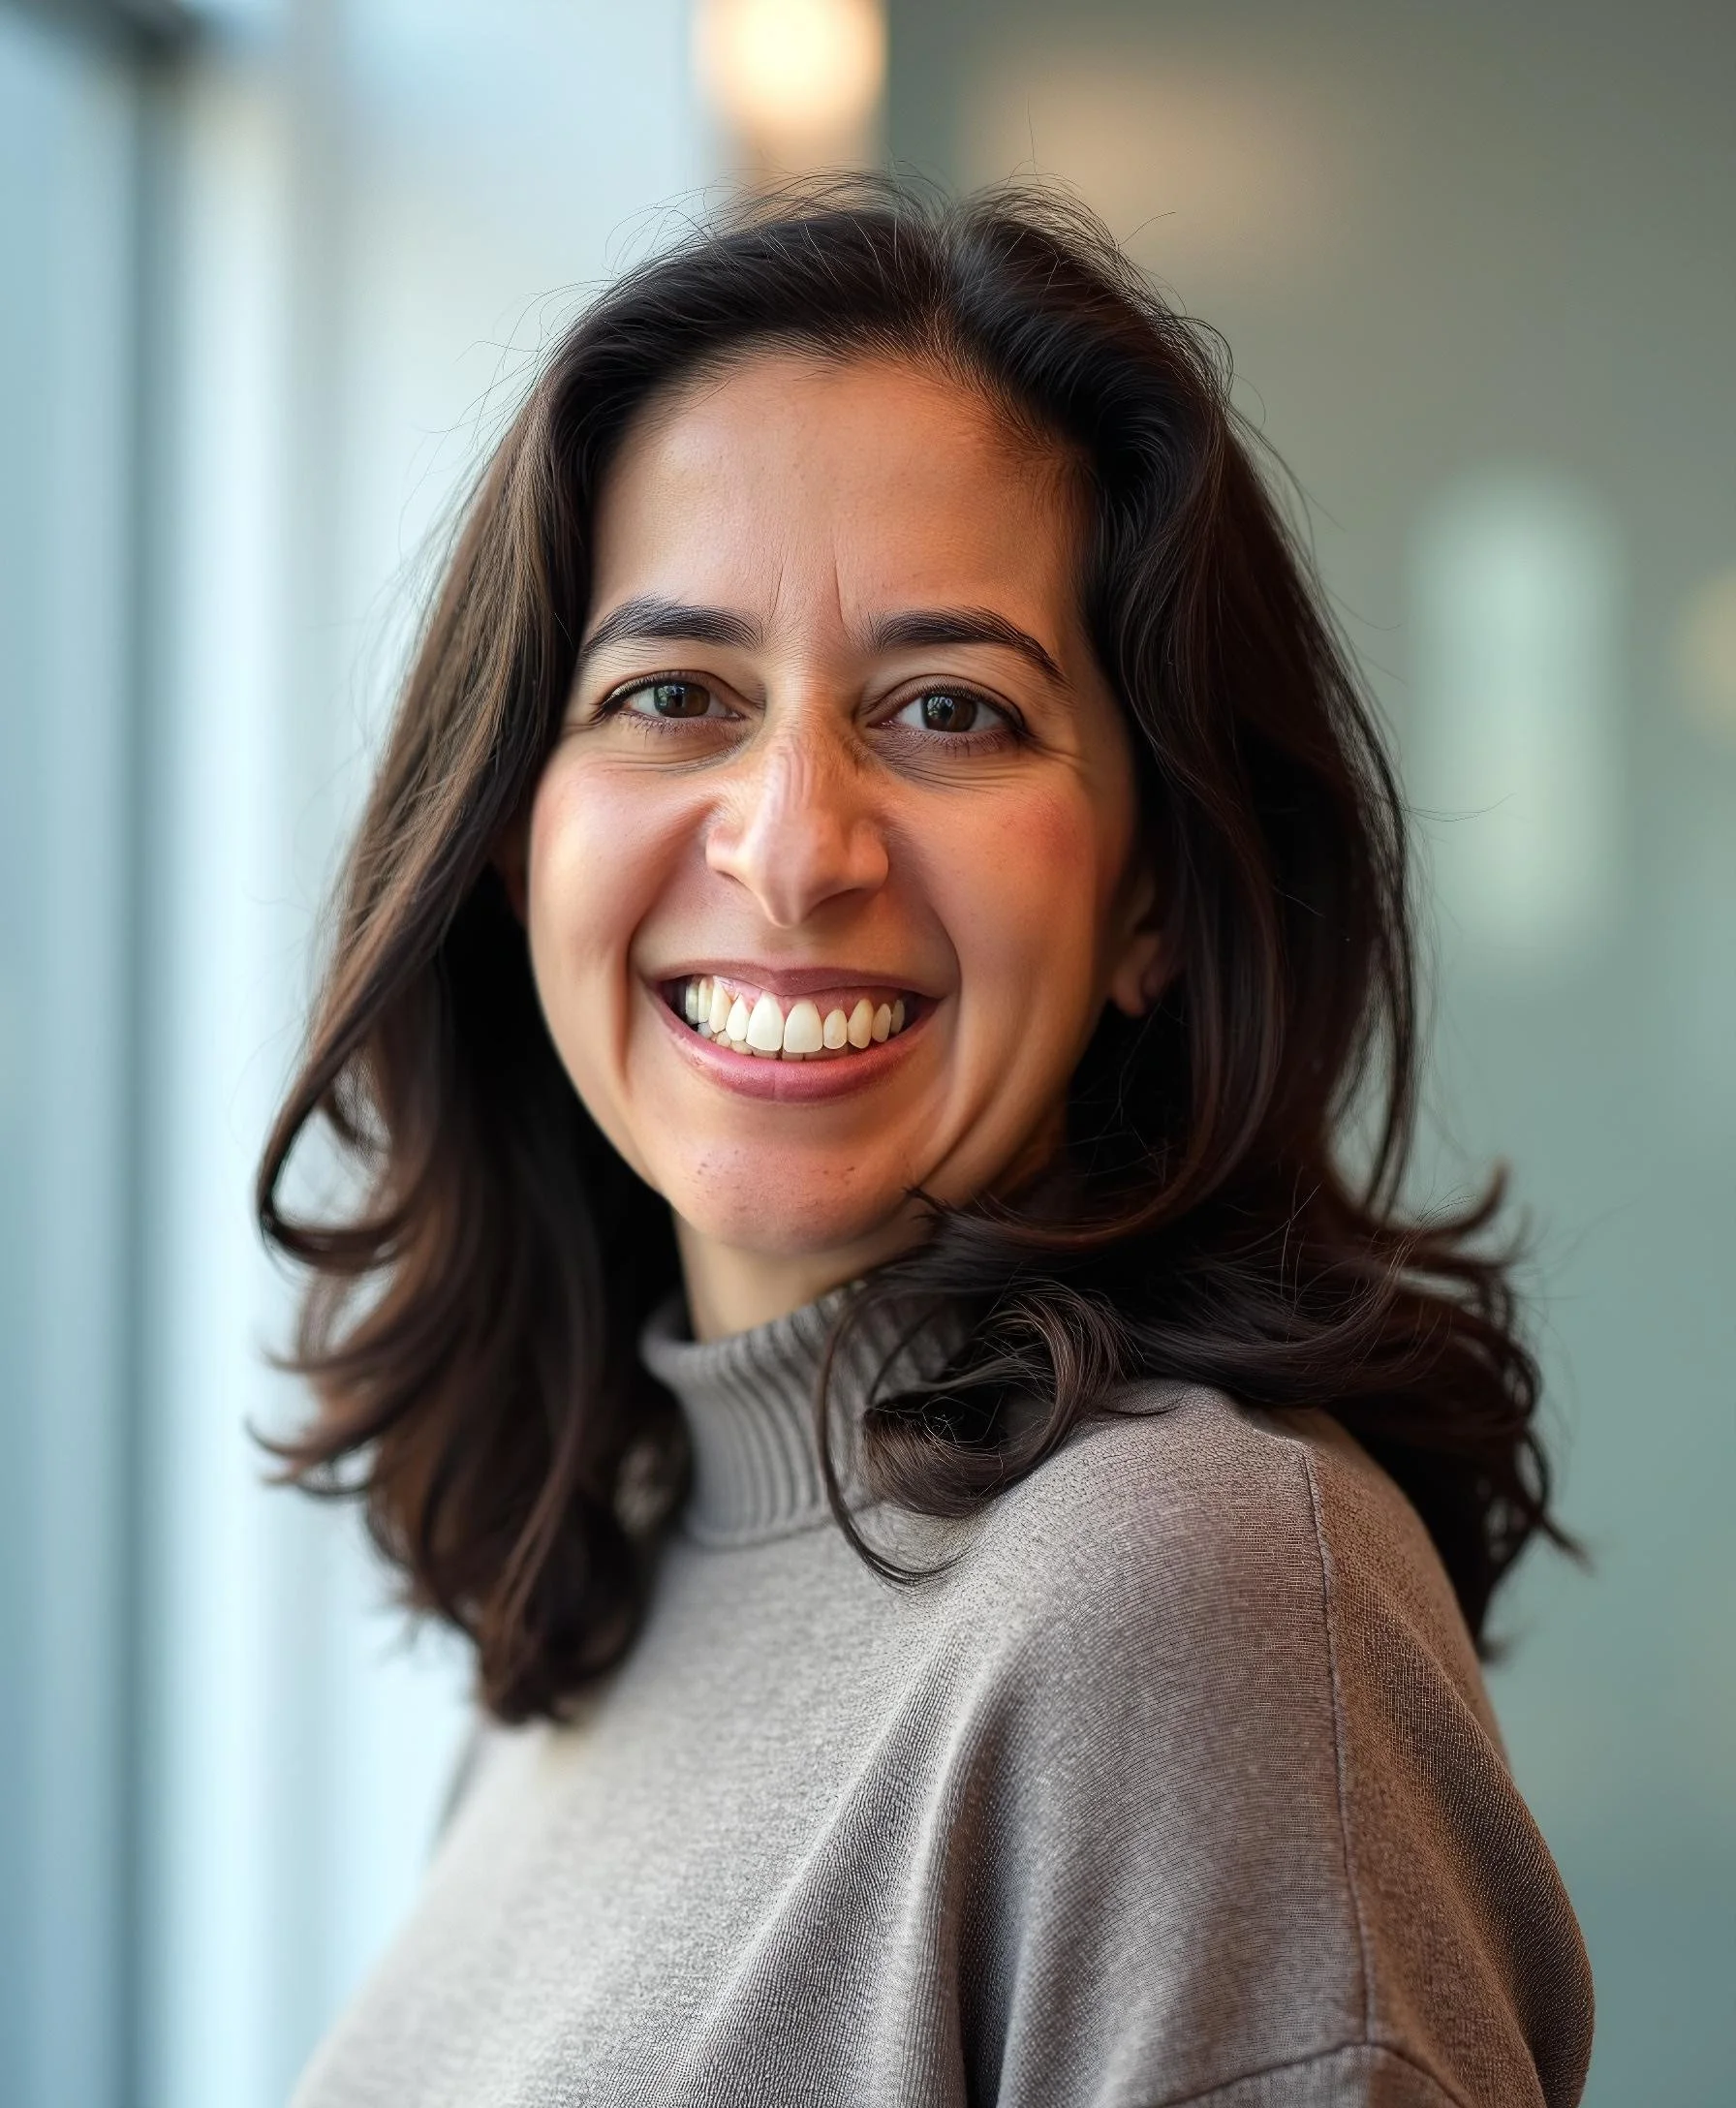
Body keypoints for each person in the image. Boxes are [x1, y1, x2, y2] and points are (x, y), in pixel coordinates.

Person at [262, 183, 1594, 2107]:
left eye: (950, 709)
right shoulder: (608, 1583)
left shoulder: (1181, 1590)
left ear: (1155, 895)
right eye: (669, 697)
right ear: (507, 835)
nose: (794, 845)